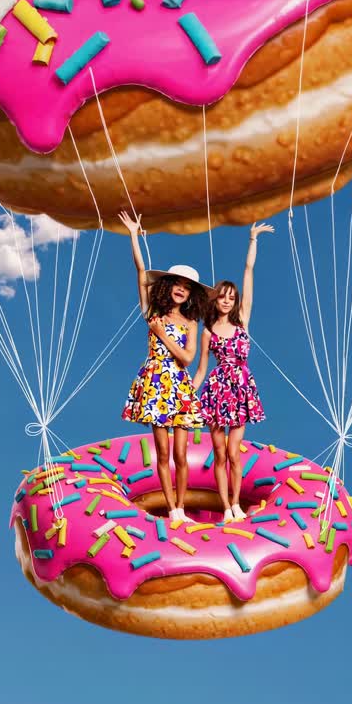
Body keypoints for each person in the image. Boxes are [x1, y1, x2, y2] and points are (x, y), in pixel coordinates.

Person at [119, 212, 210, 524]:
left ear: (191, 293)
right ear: (168, 285)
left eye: (187, 287)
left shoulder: (190, 322)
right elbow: (141, 270)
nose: (181, 289)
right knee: (162, 452)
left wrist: (161, 335)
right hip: (156, 383)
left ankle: (182, 508)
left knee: (181, 455)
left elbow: (187, 358)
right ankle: (172, 510)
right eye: (177, 284)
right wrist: (133, 234)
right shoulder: (152, 310)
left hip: (179, 386)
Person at [192, 222, 272, 522]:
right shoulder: (208, 331)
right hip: (216, 391)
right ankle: (226, 508)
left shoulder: (242, 323)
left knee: (235, 453)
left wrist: (253, 239)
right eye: (222, 296)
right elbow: (201, 369)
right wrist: (187, 395)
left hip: (240, 390)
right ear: (216, 299)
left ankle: (237, 503)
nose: (227, 300)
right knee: (220, 452)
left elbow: (248, 274)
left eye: (231, 296)